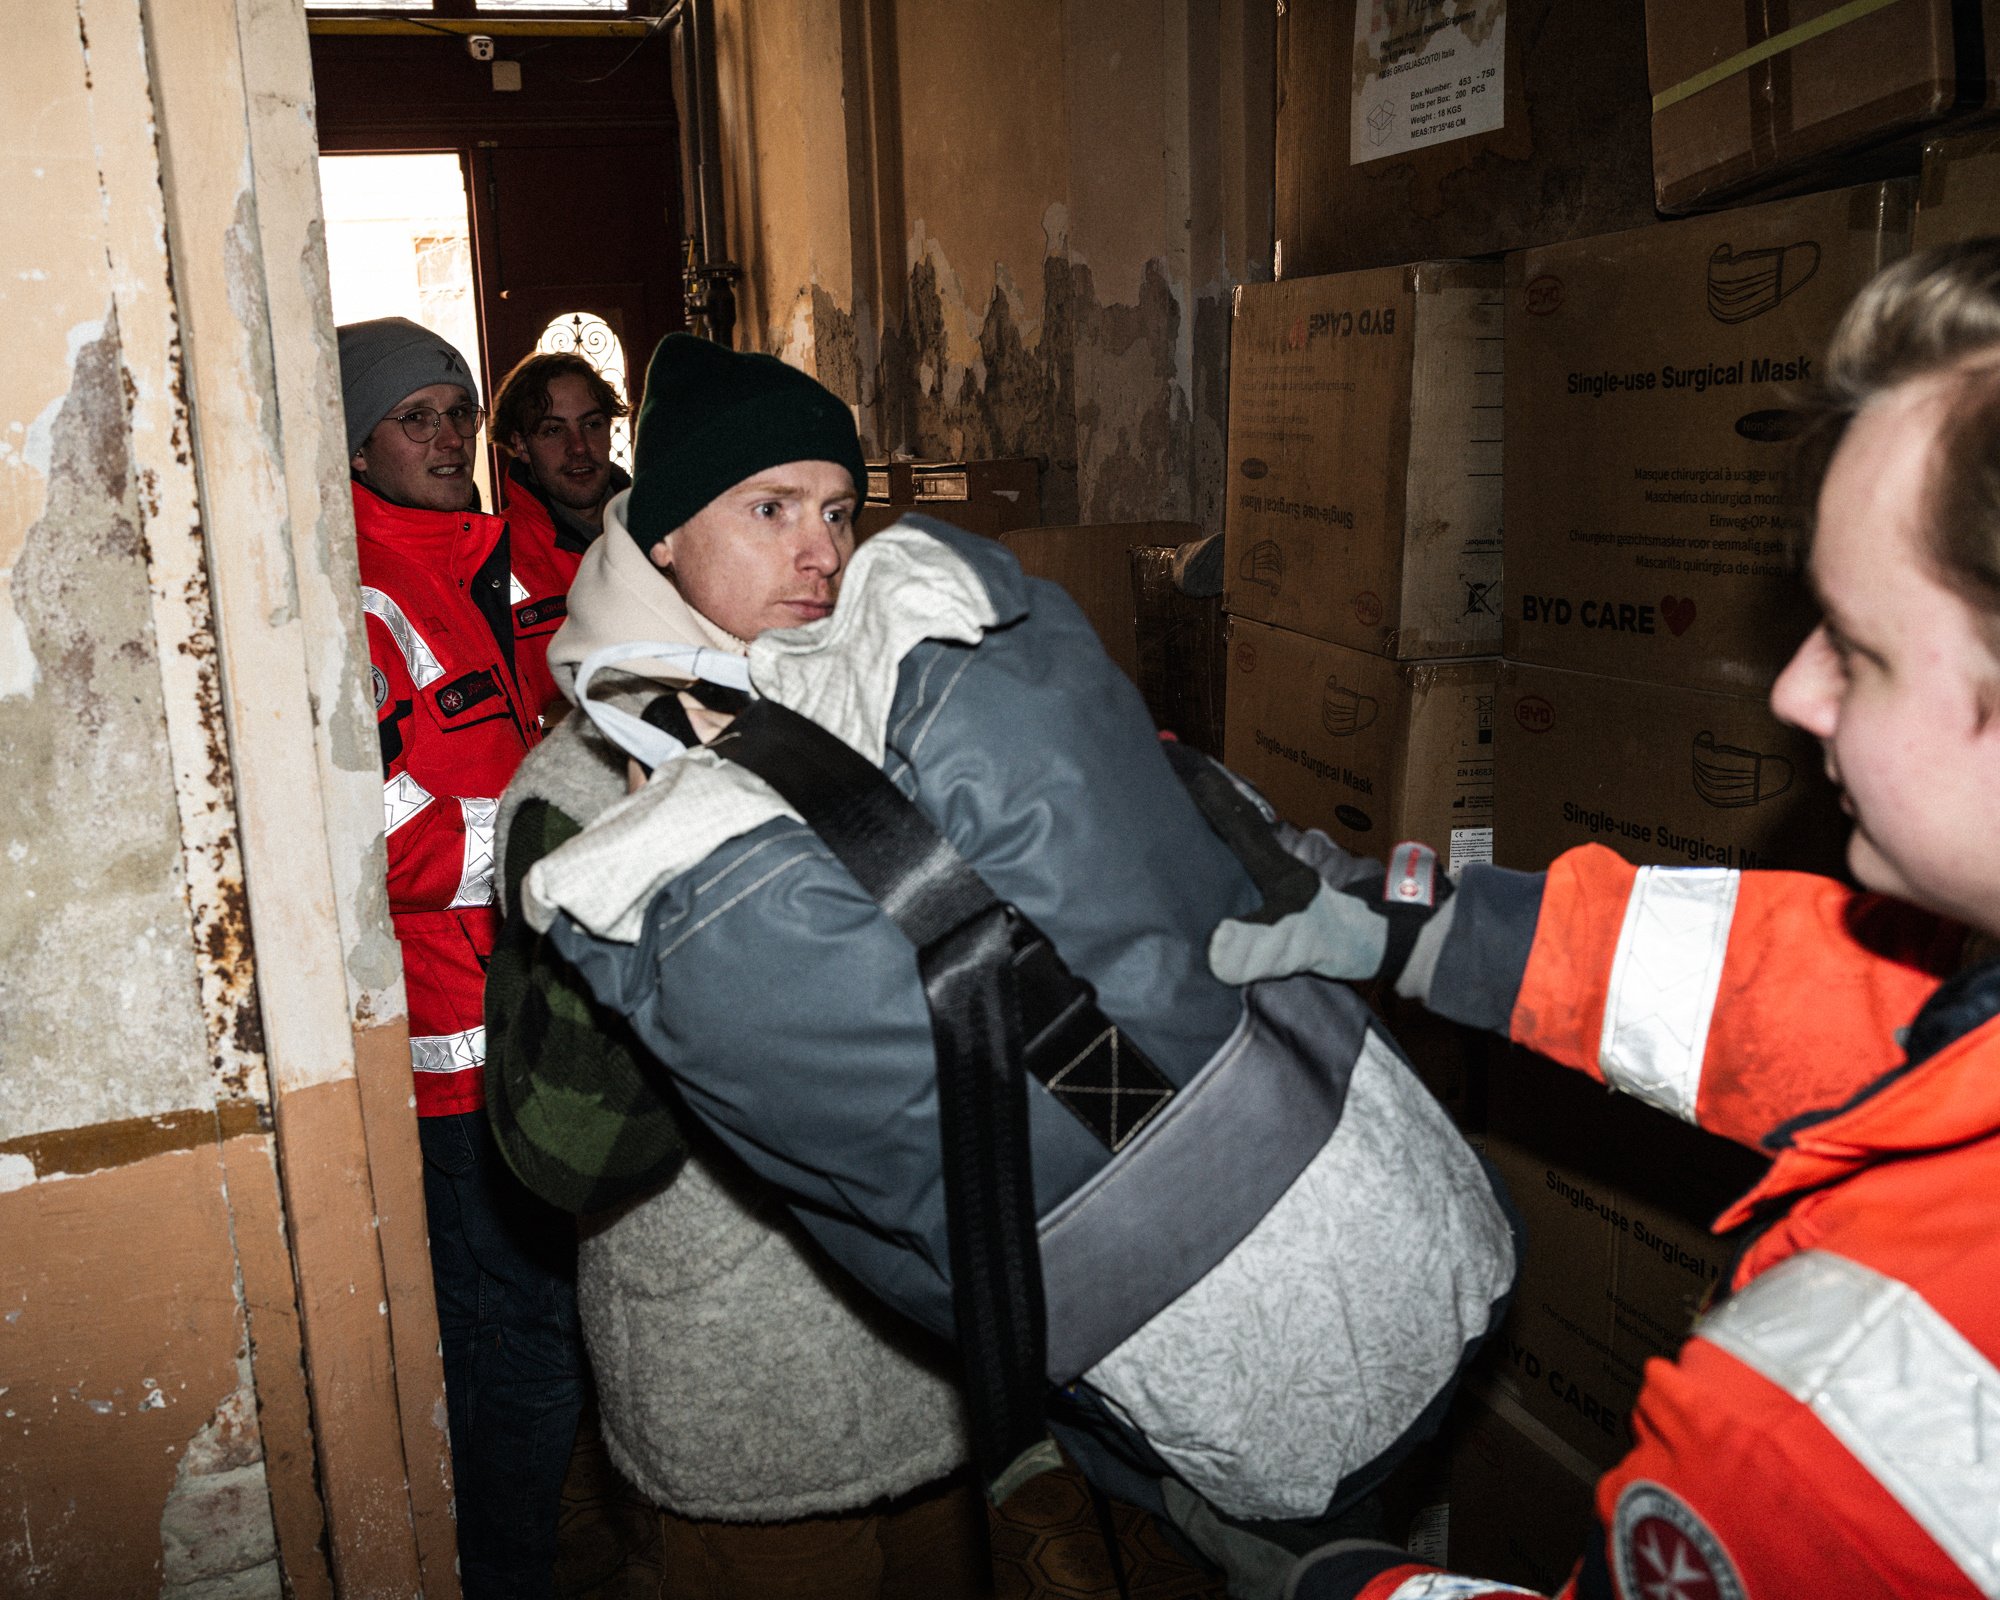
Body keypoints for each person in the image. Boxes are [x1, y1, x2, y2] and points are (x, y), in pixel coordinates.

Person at [1274, 238, 2000, 1600]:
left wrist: (1339, 1590)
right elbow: (1848, 1012)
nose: (1793, 692)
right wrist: (1409, 922)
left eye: (1859, 647)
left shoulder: (1846, 1416)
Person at [487, 333, 988, 1600]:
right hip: (742, 1376)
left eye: (835, 509)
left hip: (925, 1341)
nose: (819, 549)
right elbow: (569, 1154)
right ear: (661, 535)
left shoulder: (871, 717)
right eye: (767, 508)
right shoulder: (582, 789)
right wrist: (677, 884)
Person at [337, 317, 585, 1600]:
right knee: (519, 1345)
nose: (444, 439)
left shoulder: (481, 569)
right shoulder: (361, 604)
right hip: (457, 1050)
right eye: (412, 418)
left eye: (455, 411)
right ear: (358, 444)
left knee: (549, 1333)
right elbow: (382, 840)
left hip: (539, 1019)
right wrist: (549, 841)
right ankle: (503, 1575)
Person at [489, 350, 632, 723]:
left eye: (592, 424)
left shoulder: (668, 532)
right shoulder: (492, 561)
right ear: (520, 444)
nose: (579, 447)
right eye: (553, 430)